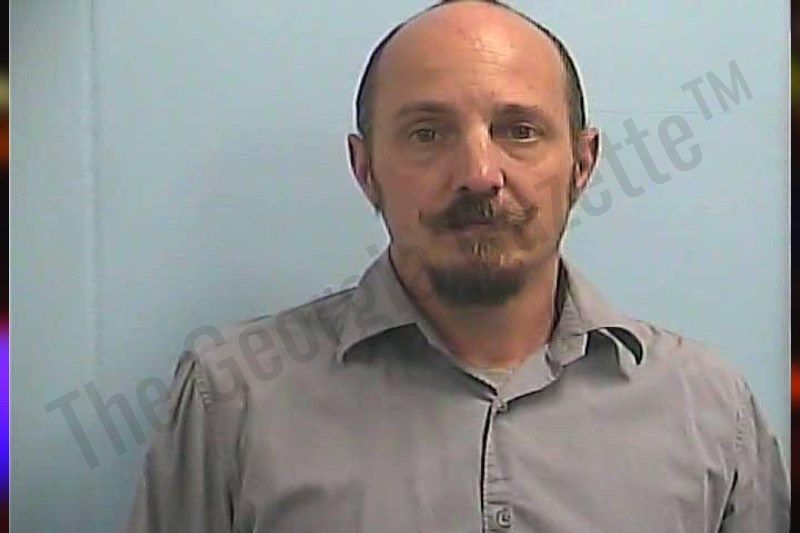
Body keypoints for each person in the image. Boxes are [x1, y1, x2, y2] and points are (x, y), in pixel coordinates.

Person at [125, 1, 790, 531]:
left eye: (519, 131)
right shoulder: (233, 399)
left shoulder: (709, 410)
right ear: (365, 169)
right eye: (428, 133)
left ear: (582, 164)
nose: (478, 174)